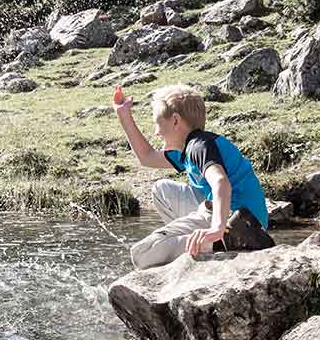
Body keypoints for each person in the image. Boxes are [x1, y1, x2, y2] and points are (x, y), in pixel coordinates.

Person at [113, 83, 269, 269]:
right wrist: (124, 115)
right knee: (162, 189)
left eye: (157, 123)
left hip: (237, 220)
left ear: (175, 121)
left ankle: (221, 241)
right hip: (239, 214)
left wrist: (217, 229)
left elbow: (220, 182)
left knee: (141, 253)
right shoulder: (191, 146)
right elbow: (147, 157)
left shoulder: (198, 147)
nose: (156, 132)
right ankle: (197, 247)